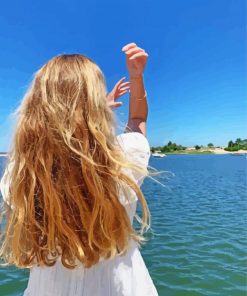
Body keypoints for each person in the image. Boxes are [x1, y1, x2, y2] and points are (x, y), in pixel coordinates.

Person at [0, 42, 159, 296]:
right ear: (95, 107)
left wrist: (84, 119)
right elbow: (138, 120)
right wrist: (136, 77)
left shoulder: (20, 176)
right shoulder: (122, 163)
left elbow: (58, 142)